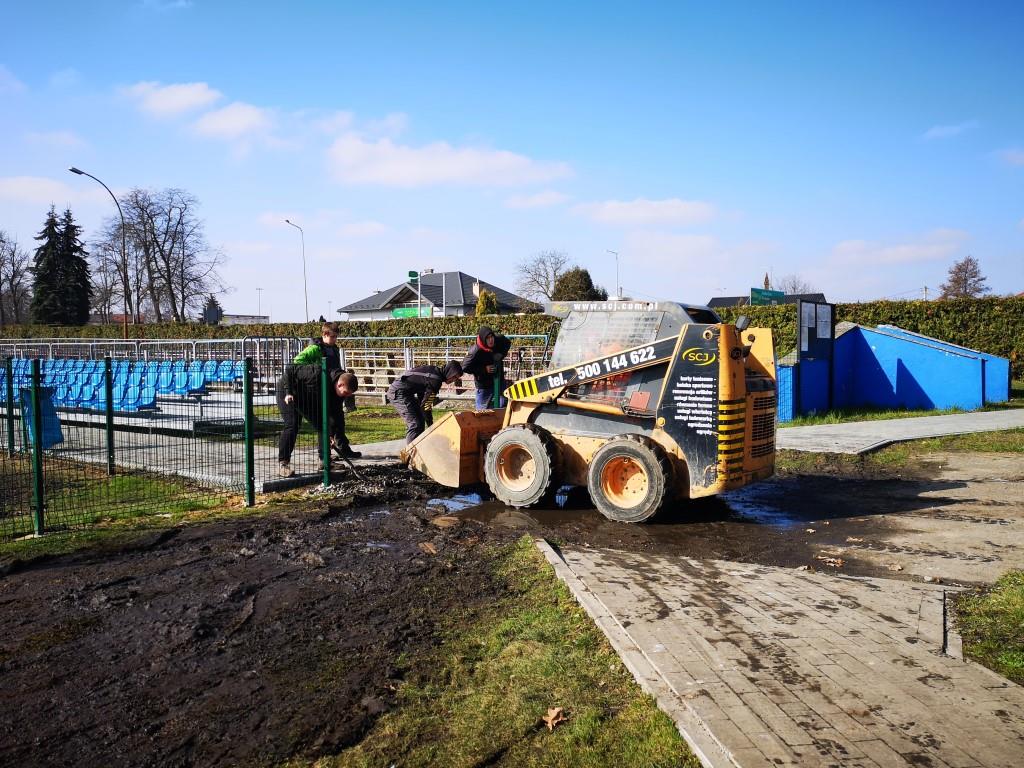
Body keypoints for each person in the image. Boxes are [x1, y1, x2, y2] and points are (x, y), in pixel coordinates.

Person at [277, 366, 359, 477]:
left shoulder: (339, 392)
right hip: (288, 392)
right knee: (292, 425)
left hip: (307, 398)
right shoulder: (317, 374)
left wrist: (330, 434)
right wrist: (288, 392)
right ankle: (283, 464)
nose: (346, 397)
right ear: (340, 385)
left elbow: (335, 415)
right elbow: (290, 369)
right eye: (345, 393)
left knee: (323, 425)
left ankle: (324, 461)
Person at [387, 361, 462, 444]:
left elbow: (422, 397)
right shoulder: (436, 380)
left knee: (420, 420)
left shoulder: (434, 371)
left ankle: (419, 447)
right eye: (454, 376)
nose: (454, 380)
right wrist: (431, 425)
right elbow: (426, 405)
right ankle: (411, 453)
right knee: (415, 424)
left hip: (405, 392)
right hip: (399, 392)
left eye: (456, 378)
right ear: (450, 372)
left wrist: (428, 422)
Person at [461, 325, 512, 409]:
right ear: (483, 339)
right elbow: (465, 367)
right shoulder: (475, 351)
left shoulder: (498, 339)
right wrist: (484, 369)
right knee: (482, 411)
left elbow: (507, 343)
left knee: (502, 409)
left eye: (492, 336)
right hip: (484, 385)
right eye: (488, 338)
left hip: (499, 380)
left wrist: (501, 354)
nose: (491, 340)